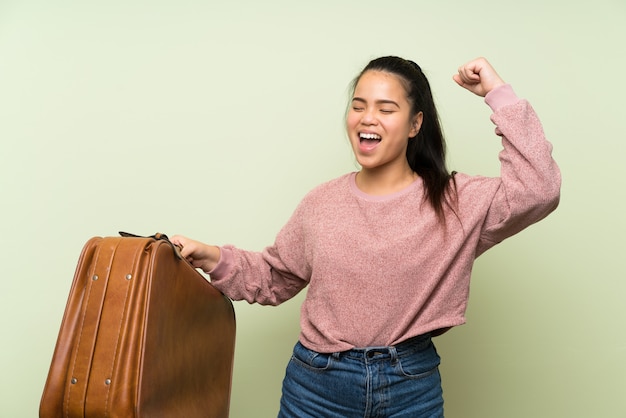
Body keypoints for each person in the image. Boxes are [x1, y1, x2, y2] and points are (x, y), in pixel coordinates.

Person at [171, 56, 561, 417]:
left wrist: (498, 92)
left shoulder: (457, 201)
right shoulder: (321, 202)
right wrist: (211, 256)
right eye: (358, 106)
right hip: (315, 388)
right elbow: (275, 276)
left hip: (411, 388)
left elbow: (539, 188)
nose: (367, 118)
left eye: (385, 109)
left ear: (415, 124)